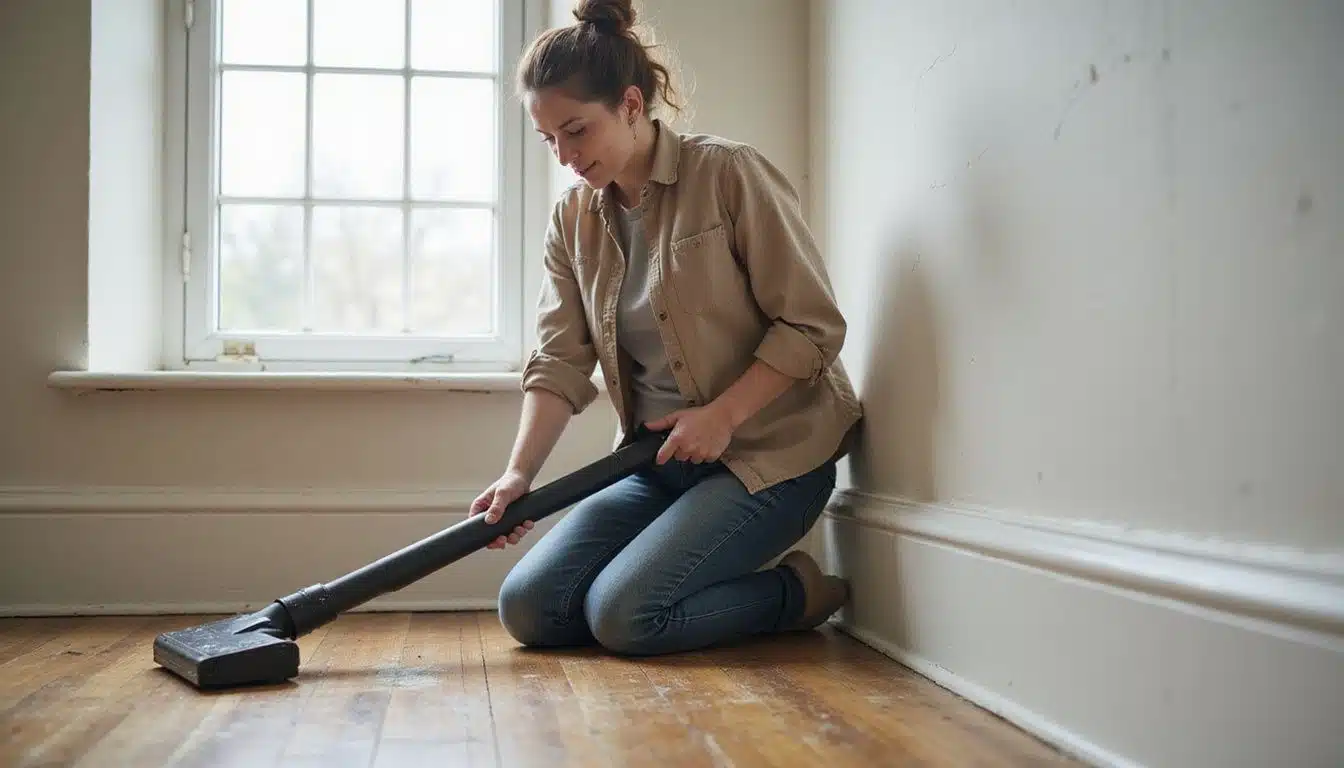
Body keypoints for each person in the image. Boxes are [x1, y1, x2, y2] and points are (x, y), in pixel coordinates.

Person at [468, 0, 863, 656]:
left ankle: (794, 595)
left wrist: (723, 415)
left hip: (772, 457)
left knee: (625, 617)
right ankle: (679, 586)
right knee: (530, 610)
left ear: (629, 104)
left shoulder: (730, 174)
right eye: (550, 141)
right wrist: (518, 476)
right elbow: (559, 360)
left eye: (577, 131)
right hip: (658, 465)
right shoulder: (573, 221)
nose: (566, 156)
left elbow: (812, 324)